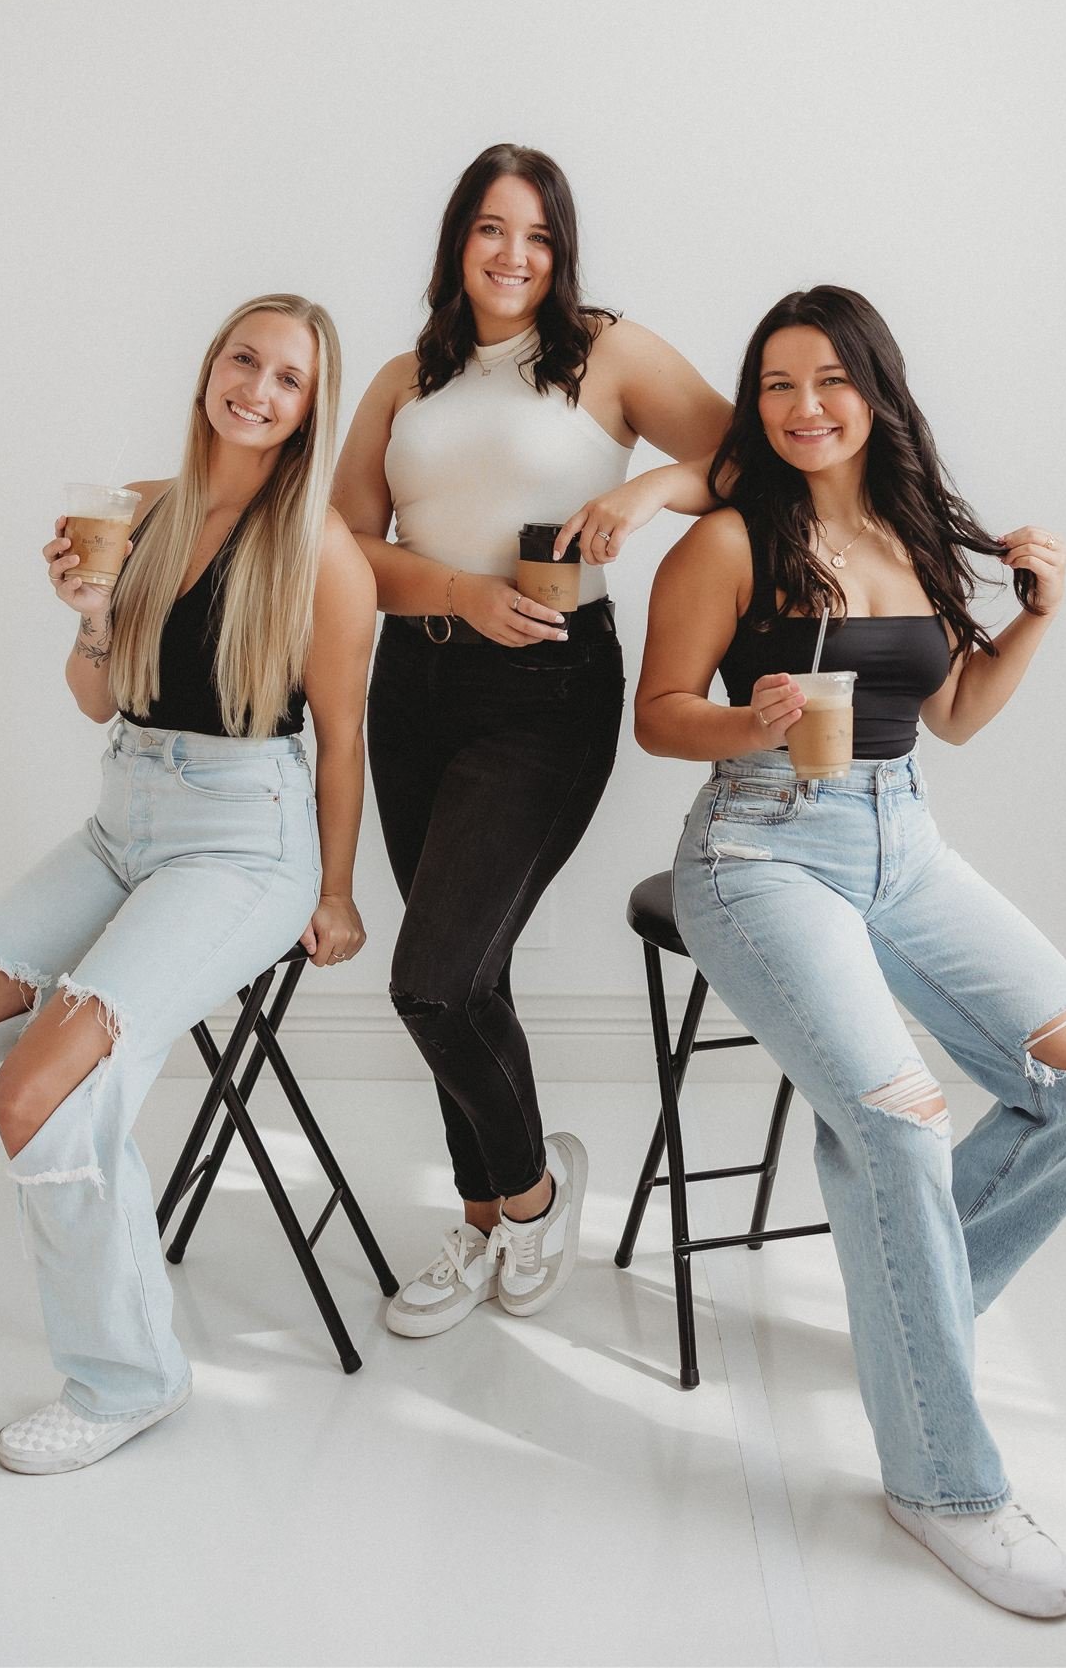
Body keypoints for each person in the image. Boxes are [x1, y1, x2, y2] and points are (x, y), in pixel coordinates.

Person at [0, 294, 375, 1473]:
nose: (258, 390)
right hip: (125, 817)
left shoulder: (320, 549)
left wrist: (337, 889)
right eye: (244, 359)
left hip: (245, 842)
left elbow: (343, 736)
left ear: (311, 408)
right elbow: (99, 699)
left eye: (289, 379)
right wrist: (92, 615)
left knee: (36, 1089)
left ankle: (129, 1375)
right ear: (211, 366)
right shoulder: (146, 510)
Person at [636, 284, 1066, 1617]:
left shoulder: (915, 531)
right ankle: (941, 1482)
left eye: (828, 382)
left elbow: (958, 713)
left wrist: (1037, 608)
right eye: (777, 386)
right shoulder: (730, 544)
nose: (803, 409)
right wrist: (751, 722)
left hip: (900, 835)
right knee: (901, 1125)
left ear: (874, 390)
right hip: (756, 849)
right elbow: (660, 718)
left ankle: (912, 1319)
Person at [333, 142, 729, 1336]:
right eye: (492, 230)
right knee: (467, 973)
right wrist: (452, 595)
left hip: (549, 693)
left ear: (562, 252)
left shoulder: (607, 350)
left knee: (431, 976)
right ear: (458, 239)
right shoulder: (404, 378)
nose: (514, 255)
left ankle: (538, 1192)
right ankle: (488, 1211)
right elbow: (348, 548)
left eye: (539, 236)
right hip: (413, 686)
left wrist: (646, 493)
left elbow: (740, 453)